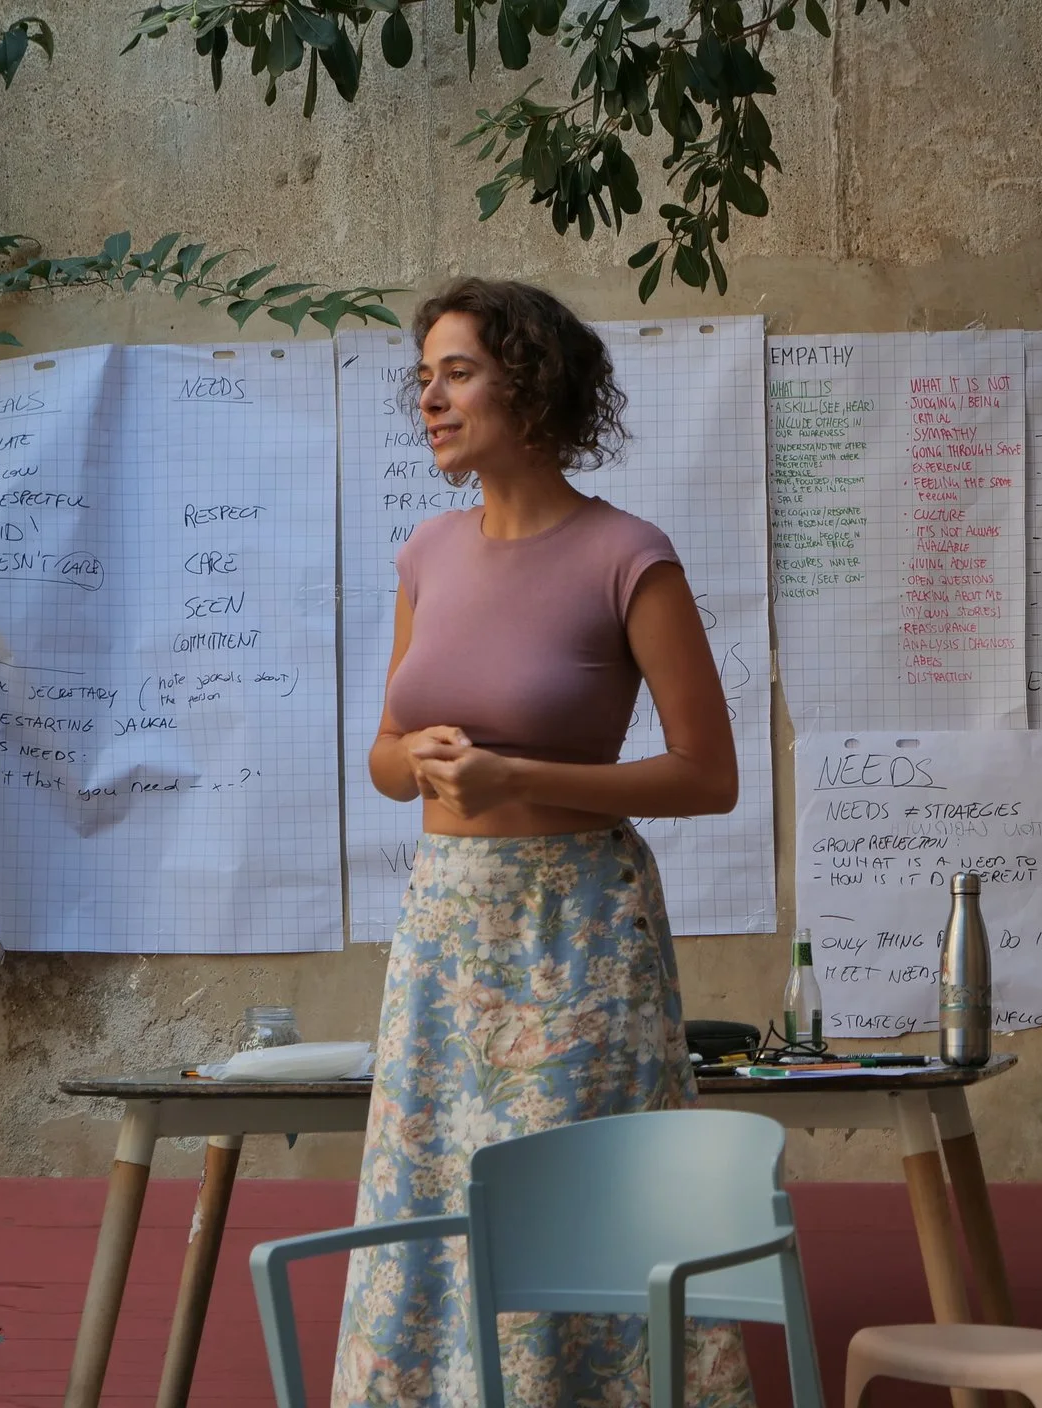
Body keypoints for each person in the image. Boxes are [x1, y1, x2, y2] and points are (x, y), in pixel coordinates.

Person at [333, 277, 751, 1408]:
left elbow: (708, 775)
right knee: (435, 1191)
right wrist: (417, 756)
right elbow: (380, 757)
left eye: (456, 371)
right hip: (444, 919)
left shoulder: (628, 555)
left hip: (577, 923)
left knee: (574, 1198)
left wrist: (518, 774)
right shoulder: (427, 549)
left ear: (531, 383)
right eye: (422, 376)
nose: (429, 396)